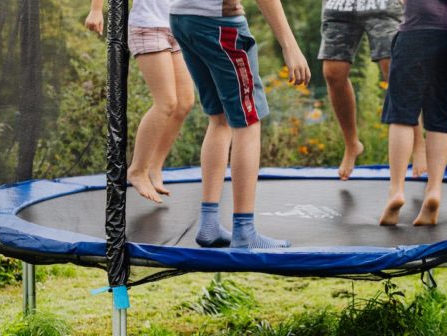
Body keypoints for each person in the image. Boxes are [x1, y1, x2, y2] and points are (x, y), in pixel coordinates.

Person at [169, 0, 311, 248]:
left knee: (220, 118)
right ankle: (244, 231)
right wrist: (290, 45)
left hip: (182, 17)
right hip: (219, 24)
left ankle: (209, 223)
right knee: (248, 121)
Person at [85, 0, 195, 204]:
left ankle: (154, 166)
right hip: (148, 26)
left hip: (178, 26)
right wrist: (96, 10)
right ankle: (137, 170)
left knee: (185, 103)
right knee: (166, 102)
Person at [379, 0, 447, 226]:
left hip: (418, 25)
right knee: (442, 114)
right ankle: (433, 191)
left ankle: (396, 190)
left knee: (401, 112)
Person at [319, 0, 427, 181]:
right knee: (333, 72)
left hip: (382, 4)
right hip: (340, 5)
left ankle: (418, 144)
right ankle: (352, 144)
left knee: (394, 69)